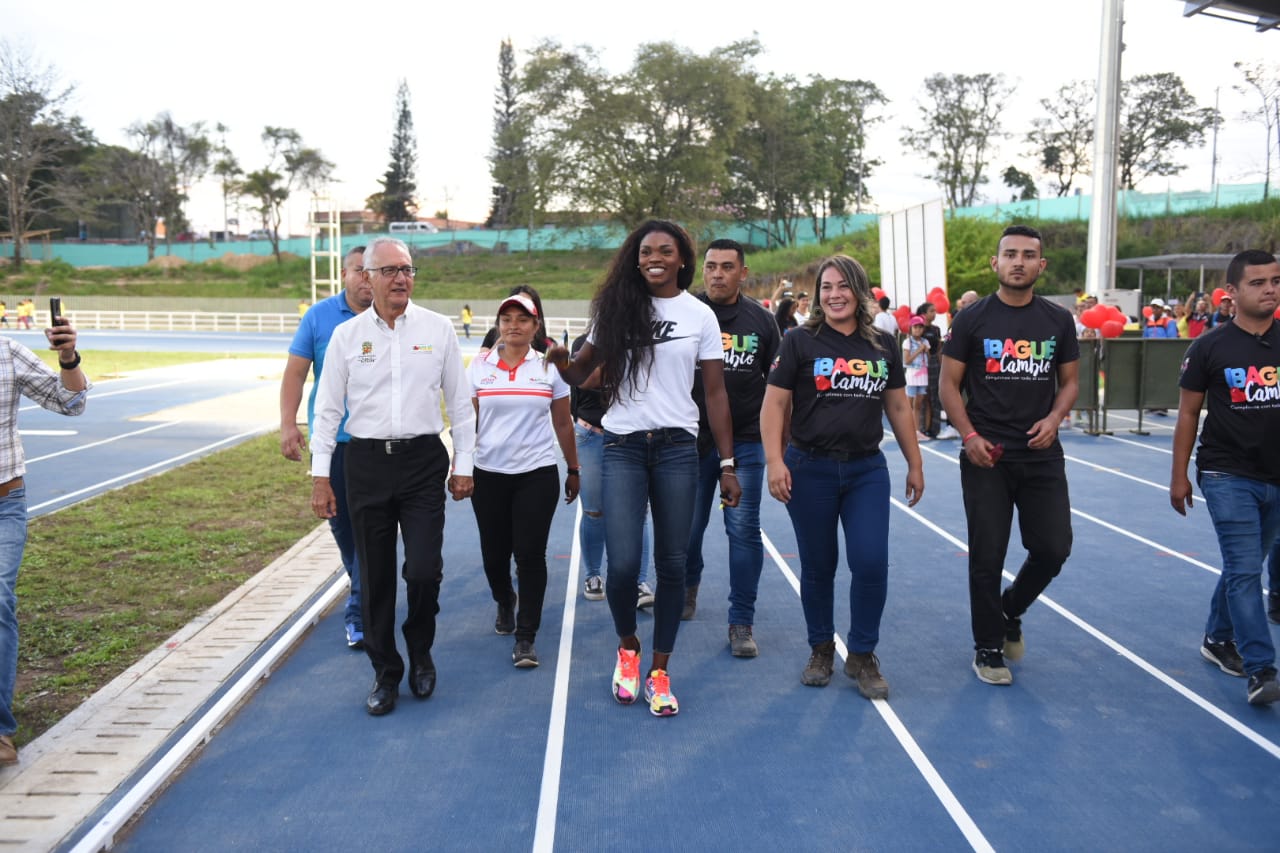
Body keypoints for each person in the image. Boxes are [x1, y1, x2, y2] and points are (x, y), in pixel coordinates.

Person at [547, 219, 741, 718]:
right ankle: (628, 647)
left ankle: (660, 670)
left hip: (678, 447)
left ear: (681, 259)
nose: (654, 257)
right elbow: (579, 375)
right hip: (624, 446)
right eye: (646, 251)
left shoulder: (699, 316)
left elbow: (715, 394)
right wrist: (558, 358)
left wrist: (726, 463)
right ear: (635, 259)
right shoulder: (615, 312)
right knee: (626, 564)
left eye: (665, 250)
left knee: (673, 564)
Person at [309, 236, 476, 717]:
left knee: (424, 570)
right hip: (365, 464)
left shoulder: (438, 329)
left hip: (423, 461)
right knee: (374, 576)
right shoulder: (347, 337)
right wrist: (321, 477)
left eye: (408, 269)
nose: (401, 278)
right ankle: (386, 672)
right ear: (368, 277)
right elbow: (327, 412)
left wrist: (463, 464)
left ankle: (420, 649)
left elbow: (460, 404)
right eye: (390, 271)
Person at [761, 253, 924, 699]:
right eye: (826, 288)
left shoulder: (882, 344)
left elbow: (896, 405)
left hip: (865, 470)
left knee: (870, 561)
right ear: (817, 296)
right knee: (818, 566)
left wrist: (915, 461)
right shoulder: (798, 341)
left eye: (842, 286)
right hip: (808, 468)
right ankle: (820, 649)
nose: (834, 295)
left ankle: (863, 652)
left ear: (860, 290)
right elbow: (774, 405)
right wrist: (775, 462)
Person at [940, 224, 1079, 687]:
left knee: (1053, 548)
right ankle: (988, 647)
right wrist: (968, 435)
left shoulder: (1058, 320)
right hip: (988, 456)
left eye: (1028, 255)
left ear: (1042, 265)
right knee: (987, 553)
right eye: (1010, 254)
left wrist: (1056, 417)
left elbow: (1071, 382)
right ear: (995, 263)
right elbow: (948, 385)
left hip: (1041, 454)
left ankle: (1011, 607)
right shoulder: (972, 319)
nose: (1018, 261)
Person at [1170, 249, 1280, 706]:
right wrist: (1179, 476)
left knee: (1247, 563)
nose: (1270, 289)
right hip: (1226, 472)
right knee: (1244, 569)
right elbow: (1188, 413)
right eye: (1258, 283)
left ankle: (1217, 637)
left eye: (1275, 280)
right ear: (1231, 293)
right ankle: (1262, 669)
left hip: (1276, 474)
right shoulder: (1209, 347)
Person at [468, 292, 579, 668]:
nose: (513, 325)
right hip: (488, 474)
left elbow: (563, 421)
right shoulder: (479, 366)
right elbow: (468, 422)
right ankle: (504, 599)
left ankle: (526, 636)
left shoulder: (549, 368)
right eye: (506, 319)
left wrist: (574, 468)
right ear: (499, 325)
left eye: (522, 319)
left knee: (530, 555)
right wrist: (461, 468)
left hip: (536, 474)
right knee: (494, 555)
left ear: (535, 327)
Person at [682, 238, 780, 657]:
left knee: (741, 530)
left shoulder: (762, 322)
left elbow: (780, 387)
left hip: (745, 442)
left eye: (726, 266)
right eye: (710, 266)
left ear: (743, 273)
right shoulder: (685, 314)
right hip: (688, 442)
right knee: (687, 531)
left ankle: (741, 620)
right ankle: (687, 585)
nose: (717, 274)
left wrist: (780, 447)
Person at [0, 308, 89, 767]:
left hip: (3, 502)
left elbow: (70, 403)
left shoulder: (8, 352)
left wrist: (68, 357)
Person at [280, 245, 371, 650]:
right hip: (332, 444)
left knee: (373, 532)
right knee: (345, 528)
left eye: (374, 272)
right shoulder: (318, 318)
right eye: (359, 271)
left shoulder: (393, 318)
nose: (367, 279)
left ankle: (359, 611)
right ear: (344, 275)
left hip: (377, 445)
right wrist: (288, 424)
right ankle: (366, 592)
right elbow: (296, 375)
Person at [568, 330, 656, 607]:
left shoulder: (643, 343)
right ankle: (593, 575)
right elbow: (578, 389)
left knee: (638, 513)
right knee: (594, 511)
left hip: (633, 436)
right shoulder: (584, 345)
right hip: (592, 434)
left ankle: (640, 581)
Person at [903, 315, 931, 441]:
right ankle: (907, 430)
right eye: (915, 327)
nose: (918, 330)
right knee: (909, 405)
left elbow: (929, 359)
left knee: (918, 405)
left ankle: (917, 430)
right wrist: (919, 350)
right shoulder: (907, 342)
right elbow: (907, 361)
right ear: (911, 328)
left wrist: (926, 351)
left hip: (923, 375)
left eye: (920, 327)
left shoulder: (925, 342)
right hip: (912, 375)